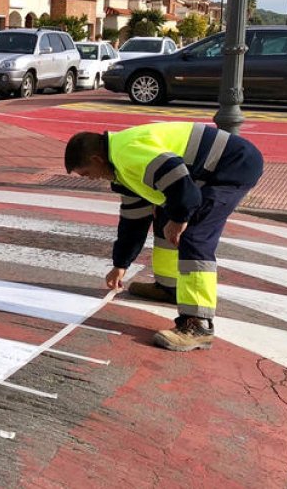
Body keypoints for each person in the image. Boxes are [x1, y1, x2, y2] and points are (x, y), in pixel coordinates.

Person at [64, 122, 264, 351]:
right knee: (163, 215)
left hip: (232, 166)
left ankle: (199, 324)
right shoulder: (121, 171)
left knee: (194, 235)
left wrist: (179, 219)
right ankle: (169, 288)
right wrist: (121, 264)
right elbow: (133, 221)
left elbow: (179, 179)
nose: (90, 179)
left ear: (96, 159)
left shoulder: (127, 153)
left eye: (87, 173)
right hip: (208, 171)